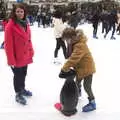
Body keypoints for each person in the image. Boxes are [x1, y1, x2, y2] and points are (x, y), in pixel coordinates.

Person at [59, 28, 96, 112]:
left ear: (71, 37)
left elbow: (73, 58)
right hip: (80, 68)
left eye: (67, 40)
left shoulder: (80, 45)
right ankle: (77, 94)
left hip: (87, 69)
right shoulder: (74, 43)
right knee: (77, 83)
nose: (67, 42)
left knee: (87, 87)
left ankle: (92, 102)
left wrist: (64, 68)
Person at [4, 3, 34, 105]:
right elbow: (8, 45)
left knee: (24, 74)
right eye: (18, 11)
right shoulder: (10, 25)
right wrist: (11, 60)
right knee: (18, 76)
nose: (20, 13)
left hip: (25, 55)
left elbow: (28, 39)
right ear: (14, 12)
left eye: (21, 11)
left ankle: (22, 89)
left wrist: (31, 50)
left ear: (24, 12)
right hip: (16, 57)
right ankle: (18, 93)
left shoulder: (26, 23)